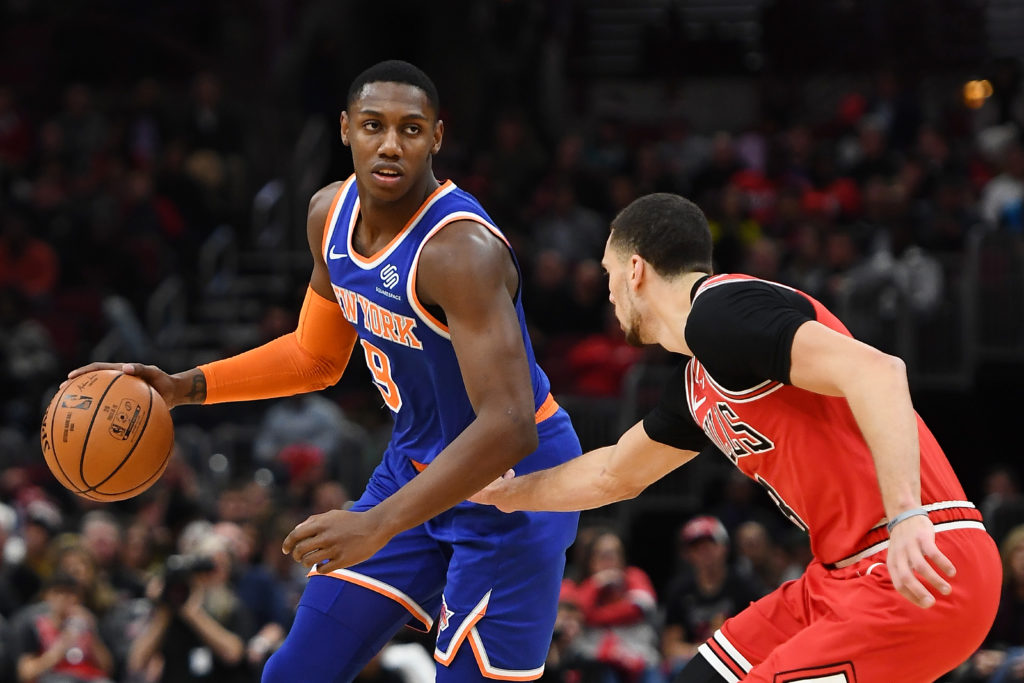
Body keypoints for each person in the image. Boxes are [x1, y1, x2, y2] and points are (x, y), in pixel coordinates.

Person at [66, 59, 581, 682]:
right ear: (344, 129)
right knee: (294, 673)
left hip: (513, 488)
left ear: (436, 137)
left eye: (411, 129)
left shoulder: (459, 252)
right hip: (416, 469)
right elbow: (315, 358)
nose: (390, 144)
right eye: (373, 125)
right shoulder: (328, 215)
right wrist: (185, 387)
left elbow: (509, 425)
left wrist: (376, 524)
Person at [472, 192, 1002, 682]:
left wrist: (907, 515)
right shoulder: (699, 377)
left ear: (635, 270)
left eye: (609, 273)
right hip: (838, 577)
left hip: (922, 556)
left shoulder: (722, 310)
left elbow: (879, 371)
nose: (608, 292)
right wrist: (506, 494)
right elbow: (613, 474)